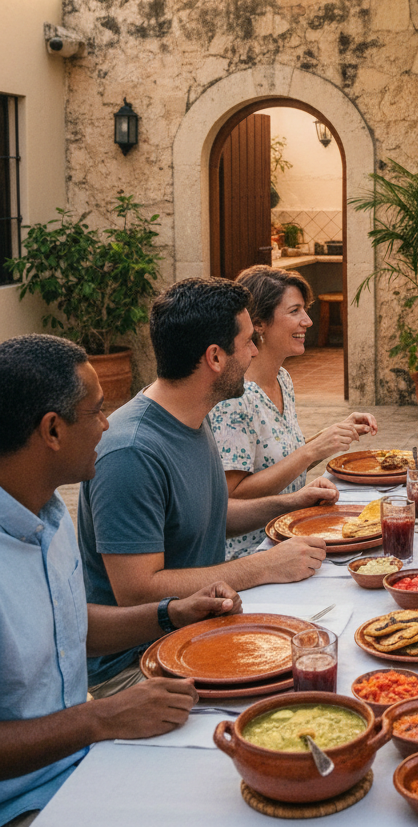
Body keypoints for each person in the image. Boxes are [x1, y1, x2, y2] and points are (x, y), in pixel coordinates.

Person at [0, 334, 242, 827]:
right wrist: (102, 718)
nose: (108, 424)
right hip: (24, 804)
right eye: (96, 411)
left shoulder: (47, 512)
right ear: (52, 431)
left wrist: (171, 613)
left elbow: (65, 627)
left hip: (83, 761)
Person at [78, 277, 338, 697]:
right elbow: (137, 590)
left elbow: (206, 515)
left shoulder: (194, 415)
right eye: (249, 341)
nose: (255, 351)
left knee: (324, 651)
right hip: (138, 668)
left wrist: (290, 503)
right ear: (215, 357)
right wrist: (262, 567)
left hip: (198, 636)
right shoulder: (131, 452)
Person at [210, 265, 377, 559]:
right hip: (254, 552)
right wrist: (312, 452)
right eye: (295, 311)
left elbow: (280, 459)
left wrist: (334, 434)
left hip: (291, 531)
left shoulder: (282, 379)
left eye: (306, 310)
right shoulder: (235, 397)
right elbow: (232, 495)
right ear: (259, 323)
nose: (308, 321)